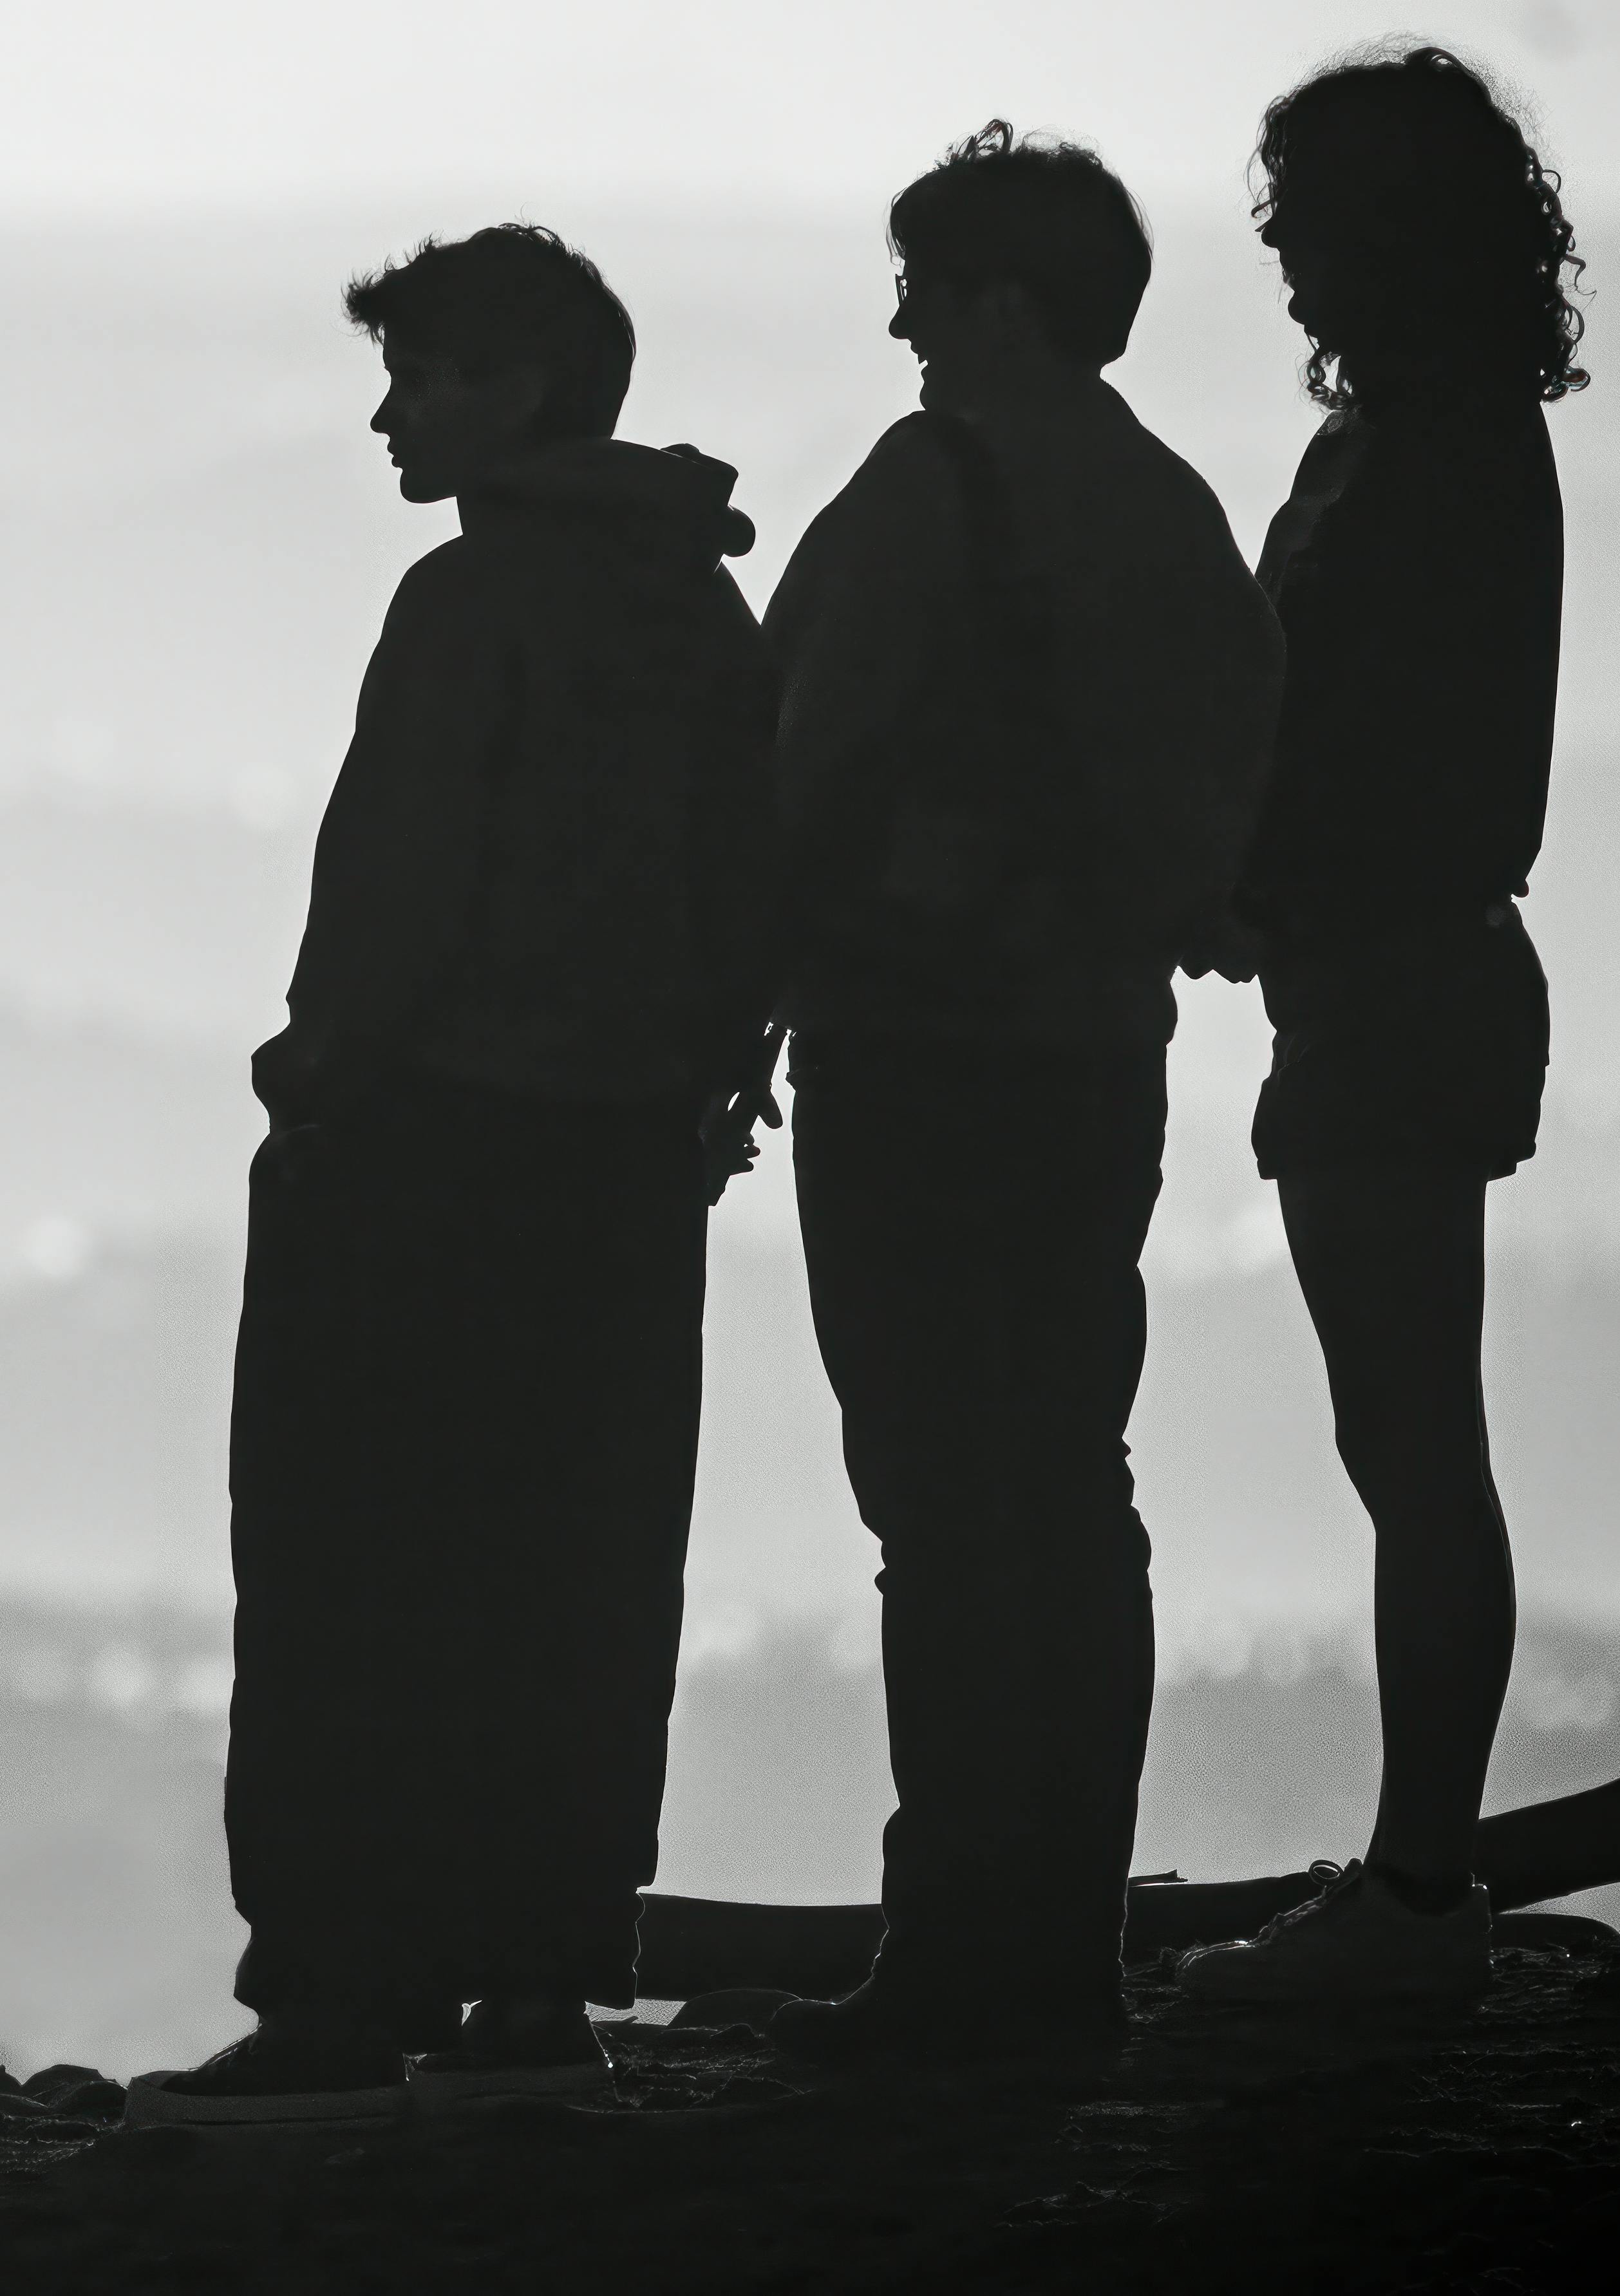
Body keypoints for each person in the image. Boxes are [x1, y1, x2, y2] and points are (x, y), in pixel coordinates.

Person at [126, 225, 777, 2124]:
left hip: (431, 1153)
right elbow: (760, 883)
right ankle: (540, 1975)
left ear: (520, 390)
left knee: (361, 1573)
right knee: (577, 1565)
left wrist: (312, 1081)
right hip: (632, 1167)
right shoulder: (698, 608)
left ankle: (339, 1993)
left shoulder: (469, 602)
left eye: (421, 376)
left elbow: (398, 899)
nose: (392, 413)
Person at [759, 123, 1284, 2061]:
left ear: (994, 300)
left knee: (937, 1499)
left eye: (922, 279)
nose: (898, 316)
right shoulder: (1169, 505)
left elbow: (787, 764)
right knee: (1072, 1479)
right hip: (1093, 1060)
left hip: (912, 1056)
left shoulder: (928, 488)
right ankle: (1060, 1935)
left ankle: (953, 1946)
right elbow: (1236, 778)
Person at [1178, 46, 1587, 2004]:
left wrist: (1251, 874)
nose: (1283, 264)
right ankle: (1420, 1868)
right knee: (1409, 1438)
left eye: (1304, 224)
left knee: (1414, 1443)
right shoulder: (1450, 429)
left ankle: (1422, 1888)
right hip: (1388, 972)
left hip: (1391, 977)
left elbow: (1381, 733)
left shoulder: (1427, 446)